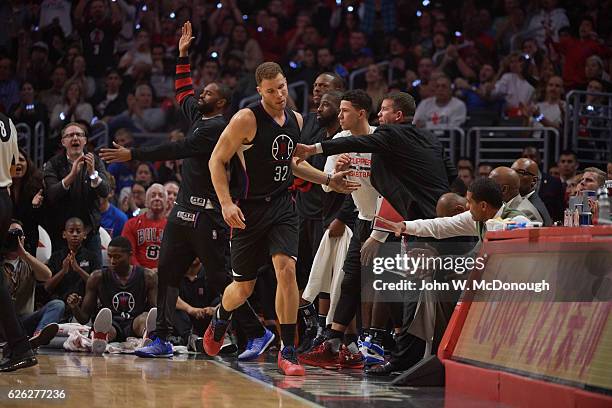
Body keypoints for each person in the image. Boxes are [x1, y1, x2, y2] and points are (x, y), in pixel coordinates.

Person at [101, 21, 274, 360]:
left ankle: (257, 332)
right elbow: (182, 91)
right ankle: (162, 337)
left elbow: (175, 149)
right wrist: (182, 55)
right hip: (181, 210)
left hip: (208, 213)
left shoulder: (218, 128)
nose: (201, 95)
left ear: (221, 102)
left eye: (208, 93)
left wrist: (132, 153)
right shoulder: (198, 116)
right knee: (167, 272)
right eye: (202, 92)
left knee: (220, 277)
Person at [205, 60, 359, 376]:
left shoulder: (296, 119)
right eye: (271, 90)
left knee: (286, 270)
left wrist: (328, 180)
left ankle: (287, 350)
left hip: (282, 206)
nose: (279, 94)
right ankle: (221, 314)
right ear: (260, 91)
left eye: (283, 87)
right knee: (242, 288)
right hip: (247, 208)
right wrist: (225, 204)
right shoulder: (246, 119)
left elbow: (290, 163)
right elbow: (216, 161)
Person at [294, 92, 453, 368]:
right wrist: (335, 177)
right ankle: (336, 342)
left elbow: (389, 190)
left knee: (392, 286)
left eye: (385, 110)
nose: (381, 115)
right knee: (353, 278)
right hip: (377, 218)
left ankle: (396, 346)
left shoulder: (387, 138)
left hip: (395, 221)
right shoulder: (350, 141)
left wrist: (312, 149)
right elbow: (329, 184)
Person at [66, 237, 157, 352]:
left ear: (130, 255)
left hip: (135, 323)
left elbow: (155, 311)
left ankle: (148, 335)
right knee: (105, 322)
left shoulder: (148, 276)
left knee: (145, 317)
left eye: (117, 257)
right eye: (110, 256)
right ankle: (100, 338)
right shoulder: (96, 277)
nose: (113, 261)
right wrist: (75, 307)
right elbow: (84, 319)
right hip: (111, 323)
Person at [43, 122, 110, 266]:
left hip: (90, 232)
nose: (75, 138)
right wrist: (72, 175)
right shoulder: (53, 164)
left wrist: (92, 174)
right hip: (62, 234)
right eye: (70, 135)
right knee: (62, 278)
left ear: (85, 141)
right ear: (63, 142)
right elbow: (51, 194)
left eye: (79, 135)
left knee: (95, 278)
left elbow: (105, 191)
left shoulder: (96, 162)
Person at [2, 220, 61, 349]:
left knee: (57, 304)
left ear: (23, 239)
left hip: (24, 321)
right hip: (3, 323)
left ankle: (36, 338)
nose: (14, 240)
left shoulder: (29, 262)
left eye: (18, 236)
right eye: (10, 236)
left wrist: (24, 254)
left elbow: (47, 275)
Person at [45, 217, 101, 303]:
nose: (75, 234)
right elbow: (47, 287)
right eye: (71, 231)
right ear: (64, 234)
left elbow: (98, 286)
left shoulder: (92, 257)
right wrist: (63, 271)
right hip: (60, 303)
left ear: (84, 234)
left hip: (84, 304)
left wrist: (78, 269)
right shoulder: (56, 256)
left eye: (78, 231)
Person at [121, 183, 167, 270]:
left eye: (161, 196)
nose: (157, 198)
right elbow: (128, 253)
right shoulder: (131, 224)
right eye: (153, 195)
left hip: (164, 275)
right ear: (146, 202)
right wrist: (142, 273)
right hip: (137, 276)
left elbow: (173, 255)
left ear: (166, 203)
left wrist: (161, 271)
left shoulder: (171, 227)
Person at [511, 158, 553, 226]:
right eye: (511, 171)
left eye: (520, 172)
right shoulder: (522, 201)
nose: (513, 175)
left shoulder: (530, 210)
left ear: (533, 181)